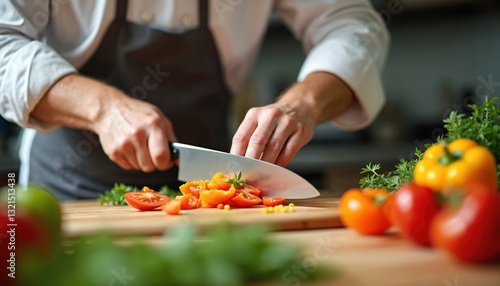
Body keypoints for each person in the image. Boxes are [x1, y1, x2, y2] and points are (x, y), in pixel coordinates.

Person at [0, 0, 389, 200]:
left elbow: (351, 23)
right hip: (64, 190)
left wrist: (303, 103)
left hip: (208, 201)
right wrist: (102, 108)